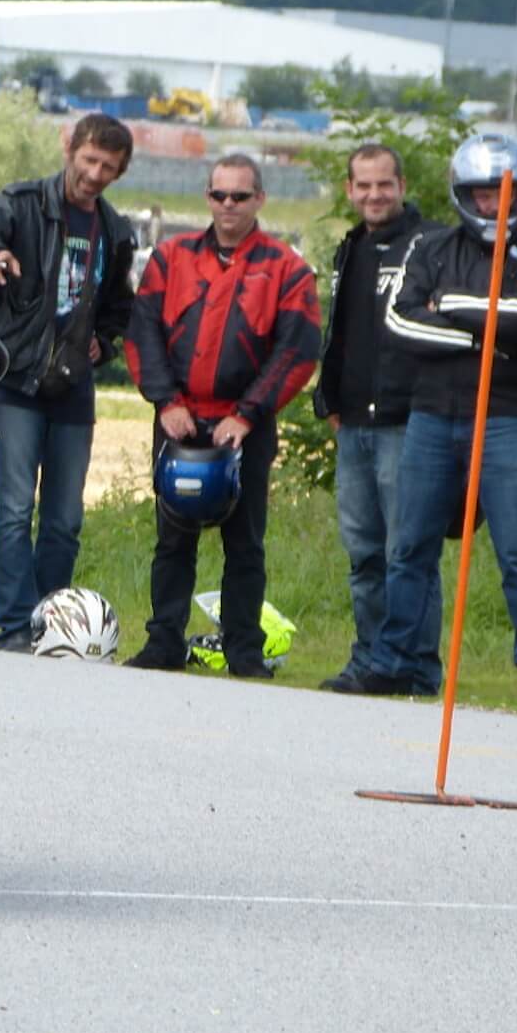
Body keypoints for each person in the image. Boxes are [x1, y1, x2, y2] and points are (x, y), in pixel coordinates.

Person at [366, 133, 517, 700]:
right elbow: (400, 323)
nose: (490, 205)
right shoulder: (428, 248)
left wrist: (449, 307)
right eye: (480, 195)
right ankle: (396, 659)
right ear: (462, 194)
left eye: (502, 194)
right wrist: (485, 339)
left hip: (506, 419)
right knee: (409, 546)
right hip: (432, 416)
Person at [122, 153, 320, 677]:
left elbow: (297, 351)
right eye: (218, 195)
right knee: (172, 539)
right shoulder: (170, 257)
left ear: (260, 199)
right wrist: (165, 401)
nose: (228, 205)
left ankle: (244, 651)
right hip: (178, 421)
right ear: (206, 197)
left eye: (239, 195)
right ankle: (163, 642)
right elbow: (142, 332)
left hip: (244, 428)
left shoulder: (287, 269)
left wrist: (249, 414)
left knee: (245, 542)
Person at [0, 114, 138, 652]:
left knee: (63, 520)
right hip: (17, 378)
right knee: (13, 510)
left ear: (120, 170)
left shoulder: (116, 229)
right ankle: (15, 628)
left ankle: (54, 627)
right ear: (70, 148)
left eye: (108, 167)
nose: (95, 174)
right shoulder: (22, 202)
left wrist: (104, 343)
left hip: (74, 387)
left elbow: (119, 307)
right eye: (89, 160)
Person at [315, 145, 448, 695]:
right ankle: (369, 659)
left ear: (402, 184)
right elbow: (341, 333)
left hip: (407, 421)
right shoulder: (352, 247)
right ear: (349, 190)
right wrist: (330, 401)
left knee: (408, 551)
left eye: (383, 185)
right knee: (364, 553)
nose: (373, 195)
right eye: (363, 186)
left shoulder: (433, 244)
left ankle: (414, 667)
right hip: (353, 426)